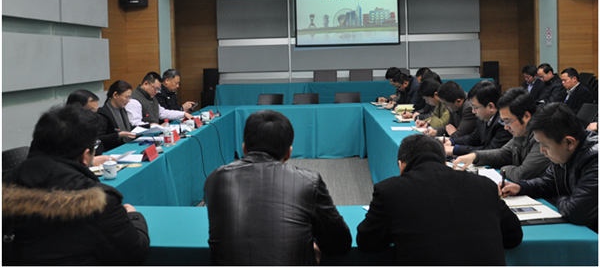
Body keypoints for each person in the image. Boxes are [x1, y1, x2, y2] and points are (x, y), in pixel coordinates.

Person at [2, 104, 150, 265]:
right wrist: (134, 217)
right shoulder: (98, 201)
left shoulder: (6, 186)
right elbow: (135, 252)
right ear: (85, 156)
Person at [204, 109, 351, 265]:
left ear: (244, 149)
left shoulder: (215, 179)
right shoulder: (309, 181)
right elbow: (339, 245)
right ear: (288, 153)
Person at [356, 134, 522, 265]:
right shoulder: (485, 185)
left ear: (401, 165)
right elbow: (513, 236)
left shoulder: (390, 190)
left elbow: (368, 243)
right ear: (444, 161)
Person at [500, 103, 598, 232]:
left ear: (569, 142)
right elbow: (549, 182)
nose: (542, 151)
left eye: (545, 145)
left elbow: (576, 212)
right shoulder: (564, 152)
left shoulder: (595, 159)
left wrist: (560, 197)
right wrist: (521, 187)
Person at [453, 87, 550, 181]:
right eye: (503, 122)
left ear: (526, 116)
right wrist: (475, 156)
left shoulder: (543, 137)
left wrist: (503, 170)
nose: (506, 127)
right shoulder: (521, 132)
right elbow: (502, 154)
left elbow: (521, 174)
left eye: (508, 121)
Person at [442, 80, 512, 157]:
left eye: (475, 107)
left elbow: (490, 151)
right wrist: (452, 142)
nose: (473, 111)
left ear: (491, 106)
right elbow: (473, 139)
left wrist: (455, 149)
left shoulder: (504, 123)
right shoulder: (483, 118)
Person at [62, 90, 111, 166]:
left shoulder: (89, 125)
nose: (94, 115)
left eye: (96, 111)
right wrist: (91, 162)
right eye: (92, 110)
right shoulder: (63, 129)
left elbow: (99, 147)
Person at [126, 71, 192, 127]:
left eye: (158, 89)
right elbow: (135, 124)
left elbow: (162, 112)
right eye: (156, 88)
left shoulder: (151, 97)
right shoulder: (134, 100)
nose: (157, 92)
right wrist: (155, 126)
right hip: (142, 136)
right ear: (146, 84)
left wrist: (183, 114)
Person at [97, 80, 138, 152]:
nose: (128, 100)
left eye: (129, 97)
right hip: (112, 150)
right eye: (126, 97)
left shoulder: (122, 110)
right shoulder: (103, 113)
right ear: (115, 95)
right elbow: (99, 138)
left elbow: (128, 128)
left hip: (125, 148)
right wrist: (119, 135)